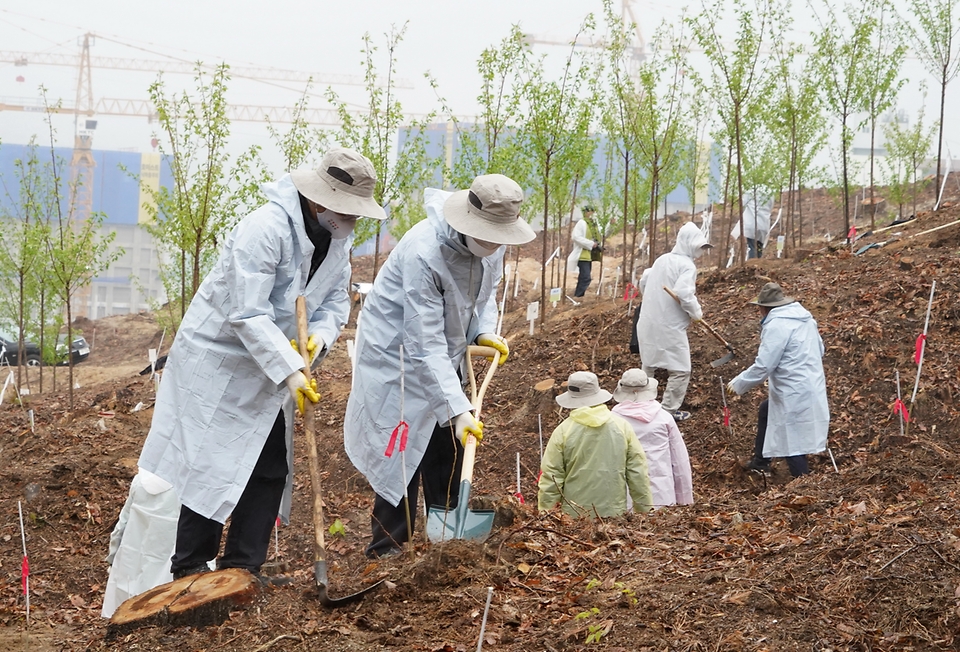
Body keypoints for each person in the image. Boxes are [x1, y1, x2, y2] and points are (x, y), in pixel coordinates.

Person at [137, 147, 386, 581]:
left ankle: (242, 567)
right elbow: (247, 314)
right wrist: (290, 369)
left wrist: (320, 337)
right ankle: (191, 568)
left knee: (269, 464)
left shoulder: (337, 243)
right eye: (346, 210)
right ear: (320, 199)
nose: (352, 220)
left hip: (276, 362)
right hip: (223, 360)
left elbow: (333, 303)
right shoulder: (265, 229)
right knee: (210, 462)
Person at [344, 173, 535, 559]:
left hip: (445, 356)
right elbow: (423, 343)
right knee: (399, 457)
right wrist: (458, 408)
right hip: (395, 361)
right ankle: (388, 549)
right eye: (489, 235)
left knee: (445, 448)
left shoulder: (493, 245)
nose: (495, 244)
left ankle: (445, 544)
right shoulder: (424, 252)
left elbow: (484, 296)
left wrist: (481, 331)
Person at [726, 282, 829, 477]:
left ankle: (804, 483)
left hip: (793, 389)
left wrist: (738, 384)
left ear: (765, 307)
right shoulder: (806, 319)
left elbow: (764, 365)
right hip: (810, 384)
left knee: (792, 442)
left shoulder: (777, 325)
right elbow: (820, 349)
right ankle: (760, 461)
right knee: (767, 409)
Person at [538, 371, 652, 517]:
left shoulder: (563, 431)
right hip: (614, 515)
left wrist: (546, 515)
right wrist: (645, 513)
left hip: (573, 519)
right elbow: (638, 474)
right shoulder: (622, 427)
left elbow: (551, 477)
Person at [636, 221, 713, 421]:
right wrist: (696, 313)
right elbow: (684, 294)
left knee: (649, 365)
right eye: (699, 246)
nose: (701, 252)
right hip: (669, 327)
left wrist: (653, 301)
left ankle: (641, 408)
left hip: (648, 322)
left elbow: (644, 280)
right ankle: (667, 412)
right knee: (680, 369)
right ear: (687, 243)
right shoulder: (687, 266)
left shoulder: (662, 260)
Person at [101, 469, 181, 617]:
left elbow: (121, 525)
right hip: (168, 564)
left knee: (126, 605)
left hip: (132, 558)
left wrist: (112, 558)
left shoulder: (140, 481)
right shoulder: (188, 488)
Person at [611, 368, 693, 509]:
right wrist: (685, 499)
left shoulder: (613, 420)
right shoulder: (664, 418)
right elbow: (680, 460)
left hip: (626, 497)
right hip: (663, 495)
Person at [568, 206, 603, 297]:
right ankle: (579, 296)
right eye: (591, 212)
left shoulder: (594, 225)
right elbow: (576, 237)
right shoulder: (581, 223)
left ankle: (578, 295)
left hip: (589, 255)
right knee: (586, 277)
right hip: (582, 255)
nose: (593, 214)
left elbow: (603, 234)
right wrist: (591, 244)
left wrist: (611, 225)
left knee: (583, 276)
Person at [740, 188, 773, 259]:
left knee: (752, 247)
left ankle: (752, 265)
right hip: (763, 224)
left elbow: (742, 204)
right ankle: (757, 263)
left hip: (751, 224)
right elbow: (771, 206)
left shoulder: (750, 191)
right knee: (759, 247)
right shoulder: (770, 192)